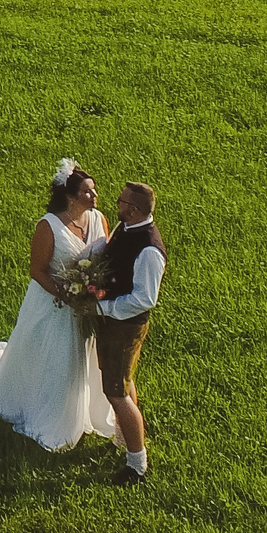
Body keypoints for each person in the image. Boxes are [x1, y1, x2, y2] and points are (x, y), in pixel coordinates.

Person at [0, 161, 117, 451]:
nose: (95, 196)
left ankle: (86, 411)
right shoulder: (48, 226)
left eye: (94, 190)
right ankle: (50, 413)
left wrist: (94, 292)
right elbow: (37, 270)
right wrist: (68, 296)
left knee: (86, 360)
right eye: (88, 192)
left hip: (87, 307)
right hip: (53, 304)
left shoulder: (98, 219)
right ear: (70, 197)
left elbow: (105, 258)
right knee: (54, 359)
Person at [93, 181, 166, 484]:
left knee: (116, 392)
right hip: (114, 324)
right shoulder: (128, 229)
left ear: (133, 210)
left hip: (124, 326)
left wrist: (102, 309)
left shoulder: (148, 248)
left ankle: (137, 464)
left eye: (121, 201)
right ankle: (123, 438)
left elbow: (144, 299)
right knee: (122, 381)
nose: (117, 204)